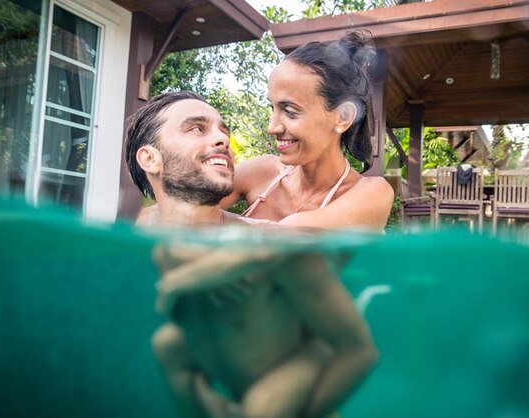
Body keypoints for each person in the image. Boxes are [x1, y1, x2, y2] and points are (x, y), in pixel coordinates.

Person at [125, 90, 378, 418]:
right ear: (150, 159)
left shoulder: (275, 247)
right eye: (197, 128)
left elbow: (356, 351)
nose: (222, 139)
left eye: (223, 130)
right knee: (167, 344)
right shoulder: (137, 236)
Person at [220, 31, 394, 230]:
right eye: (273, 108)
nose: (271, 127)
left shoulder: (372, 193)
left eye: (290, 111)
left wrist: (222, 219)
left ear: (343, 117)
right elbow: (186, 210)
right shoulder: (260, 172)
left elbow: (283, 238)